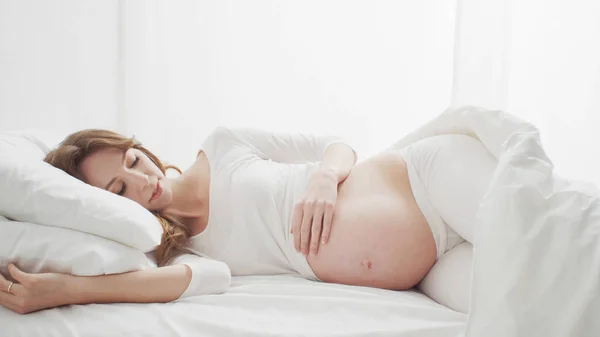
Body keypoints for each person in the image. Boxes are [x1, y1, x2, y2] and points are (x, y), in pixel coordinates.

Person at [0, 126, 497, 314]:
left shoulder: (222, 146)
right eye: (118, 191)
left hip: (426, 180)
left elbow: (336, 144)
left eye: (132, 161)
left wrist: (324, 180)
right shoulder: (170, 248)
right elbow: (210, 278)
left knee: (532, 239)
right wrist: (67, 289)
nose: (142, 181)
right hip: (428, 267)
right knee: (525, 306)